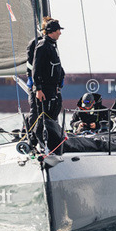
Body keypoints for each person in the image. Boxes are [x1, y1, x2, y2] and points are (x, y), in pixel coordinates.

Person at [30, 19, 66, 153]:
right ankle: (35, 142)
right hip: (44, 89)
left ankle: (53, 142)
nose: (60, 33)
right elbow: (36, 68)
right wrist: (38, 89)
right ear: (52, 31)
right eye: (58, 31)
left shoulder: (52, 45)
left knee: (52, 115)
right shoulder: (43, 45)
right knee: (43, 118)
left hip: (53, 89)